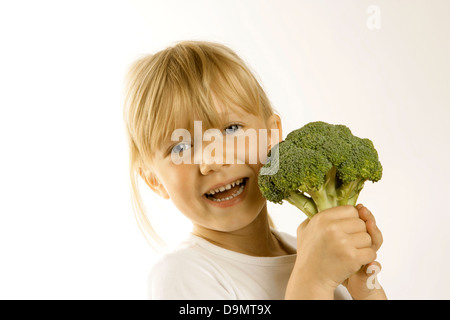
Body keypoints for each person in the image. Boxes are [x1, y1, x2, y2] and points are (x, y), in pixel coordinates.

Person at [123, 40, 387, 300]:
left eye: (231, 129)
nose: (213, 160)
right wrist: (313, 280)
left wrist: (365, 286)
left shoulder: (305, 252)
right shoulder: (181, 277)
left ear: (272, 136)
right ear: (154, 180)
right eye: (181, 147)